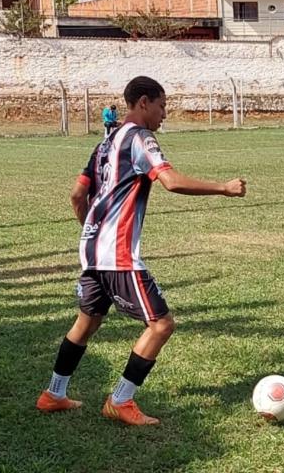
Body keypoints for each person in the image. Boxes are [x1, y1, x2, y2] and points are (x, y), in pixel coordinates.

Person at [35, 76, 247, 425]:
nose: (165, 114)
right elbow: (171, 181)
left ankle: (53, 393)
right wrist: (224, 187)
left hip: (91, 251)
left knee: (86, 322)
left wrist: (92, 231)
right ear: (144, 102)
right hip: (117, 255)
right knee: (161, 324)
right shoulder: (139, 137)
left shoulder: (106, 142)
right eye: (162, 106)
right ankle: (121, 400)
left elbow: (77, 195)